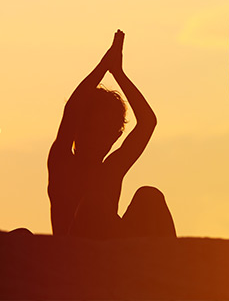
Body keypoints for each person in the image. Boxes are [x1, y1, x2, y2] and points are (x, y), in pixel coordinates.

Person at [47, 30, 175, 240]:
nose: (96, 139)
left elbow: (148, 122)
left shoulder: (112, 170)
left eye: (104, 132)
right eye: (91, 129)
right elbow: (72, 110)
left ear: (115, 137)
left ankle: (172, 268)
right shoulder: (62, 163)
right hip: (72, 259)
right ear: (78, 129)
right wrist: (103, 66)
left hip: (112, 256)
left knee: (149, 196)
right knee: (92, 205)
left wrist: (119, 74)